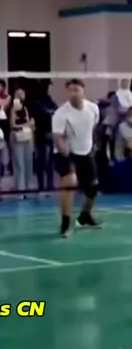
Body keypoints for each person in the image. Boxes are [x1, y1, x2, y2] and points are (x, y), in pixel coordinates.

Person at [52, 79, 101, 238]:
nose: (73, 93)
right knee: (70, 182)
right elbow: (58, 137)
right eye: (70, 90)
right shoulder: (61, 113)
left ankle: (85, 216)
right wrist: (65, 152)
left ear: (83, 91)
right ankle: (65, 223)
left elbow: (93, 128)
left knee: (93, 186)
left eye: (76, 90)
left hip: (86, 152)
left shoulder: (93, 108)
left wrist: (92, 145)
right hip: (66, 153)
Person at [10, 87, 35, 197]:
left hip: (28, 136)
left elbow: (32, 123)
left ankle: (28, 188)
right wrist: (26, 124)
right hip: (17, 136)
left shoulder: (27, 107)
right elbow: (12, 125)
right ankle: (20, 190)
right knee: (19, 163)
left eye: (22, 93)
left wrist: (31, 126)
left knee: (28, 162)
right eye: (18, 93)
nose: (20, 95)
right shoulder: (13, 108)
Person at [34, 83, 58, 193]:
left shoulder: (51, 102)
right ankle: (41, 185)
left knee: (51, 162)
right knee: (42, 161)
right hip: (41, 136)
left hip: (51, 135)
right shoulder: (38, 103)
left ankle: (50, 184)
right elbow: (40, 118)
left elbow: (56, 114)